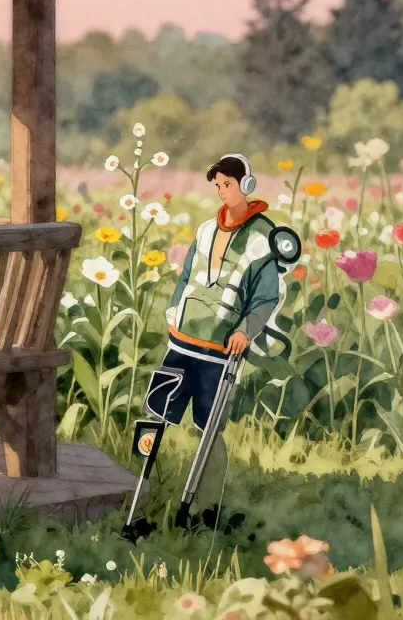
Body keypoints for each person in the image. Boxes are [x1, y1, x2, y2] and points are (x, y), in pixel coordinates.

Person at [128, 153, 283, 533]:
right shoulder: (204, 230)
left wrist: (246, 330)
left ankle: (205, 510)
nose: (222, 191)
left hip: (220, 352)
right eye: (218, 185)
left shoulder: (264, 237)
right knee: (156, 415)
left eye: (228, 184)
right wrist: (173, 310)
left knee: (209, 428)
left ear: (246, 184)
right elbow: (186, 277)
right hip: (181, 343)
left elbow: (266, 297)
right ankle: (138, 506)